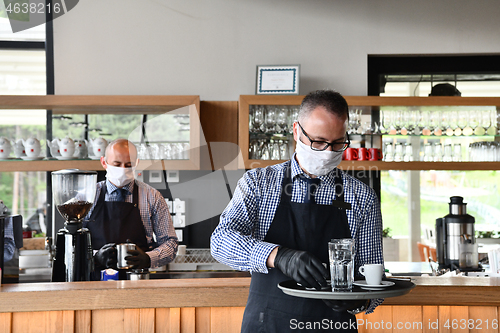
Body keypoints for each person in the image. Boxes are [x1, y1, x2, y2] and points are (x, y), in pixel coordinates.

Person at [211, 90, 384, 332]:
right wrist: (278, 256)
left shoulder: (362, 198)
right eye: (318, 142)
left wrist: (360, 301)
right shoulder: (258, 183)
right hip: (267, 323)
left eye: (336, 144)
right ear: (296, 131)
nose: (327, 152)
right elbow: (221, 242)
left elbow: (373, 275)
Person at [84, 139, 178, 278]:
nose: (123, 169)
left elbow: (170, 243)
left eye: (129, 165)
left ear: (137, 163)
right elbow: (72, 244)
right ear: (104, 162)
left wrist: (148, 258)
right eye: (117, 164)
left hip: (137, 281)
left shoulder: (153, 197)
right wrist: (94, 257)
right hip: (94, 282)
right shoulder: (87, 196)